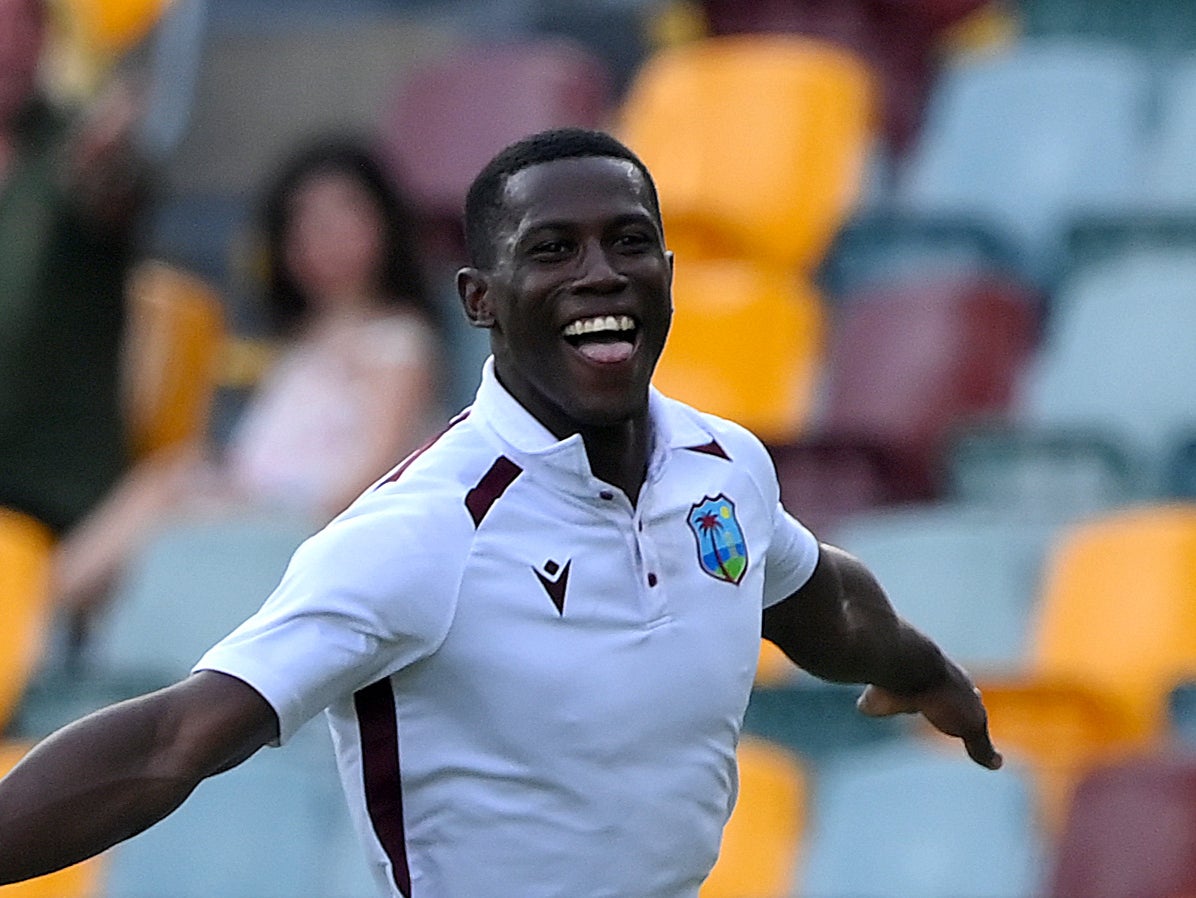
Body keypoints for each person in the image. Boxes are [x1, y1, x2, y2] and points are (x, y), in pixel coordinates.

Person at [0, 128, 1000, 897]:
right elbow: (174, 737)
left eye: (629, 243)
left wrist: (920, 668)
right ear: (480, 297)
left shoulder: (719, 464)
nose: (599, 273)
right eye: (552, 250)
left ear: (666, 274)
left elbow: (812, 595)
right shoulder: (422, 530)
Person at [50, 135, 446, 626]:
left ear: (385, 223)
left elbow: (379, 469)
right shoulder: (303, 342)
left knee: (170, 487)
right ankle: (51, 607)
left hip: (306, 522)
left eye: (346, 215)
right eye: (307, 223)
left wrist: (252, 503)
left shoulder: (397, 342)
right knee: (173, 477)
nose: (327, 236)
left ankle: (47, 604)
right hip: (255, 504)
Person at [0, 0, 148, 536]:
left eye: (25, 25)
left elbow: (112, 195)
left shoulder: (74, 145)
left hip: (46, 491)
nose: (9, 46)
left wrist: (105, 160)